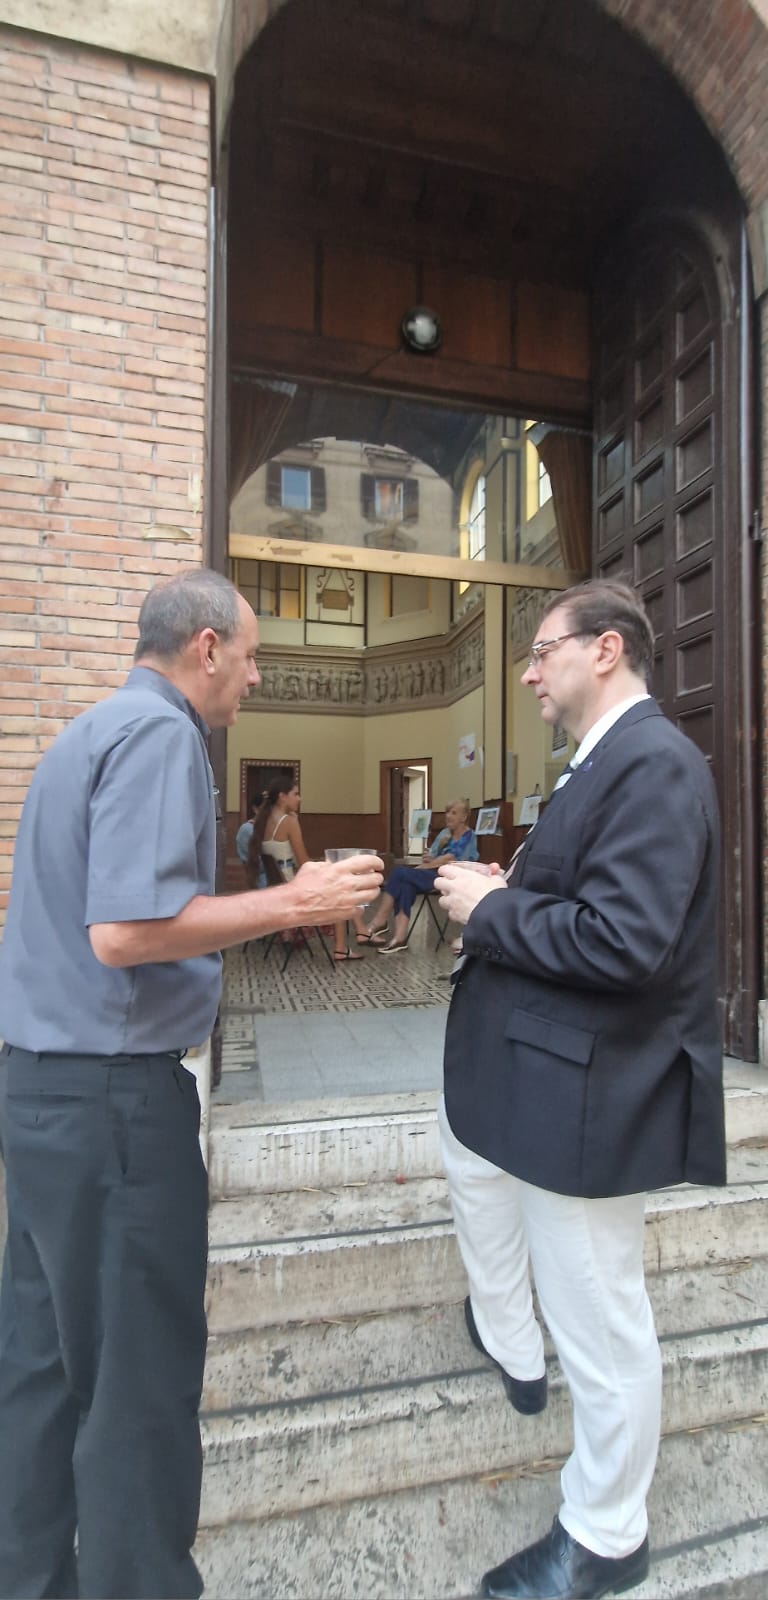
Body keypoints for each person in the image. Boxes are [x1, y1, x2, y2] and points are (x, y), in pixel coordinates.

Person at [0, 568, 383, 1600]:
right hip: (117, 1111)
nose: (255, 677)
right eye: (251, 655)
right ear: (205, 648)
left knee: (42, 1372)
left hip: (39, 1095)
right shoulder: (166, 734)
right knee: (136, 1389)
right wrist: (289, 902)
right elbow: (124, 930)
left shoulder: (81, 735)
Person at [435, 579, 723, 1600]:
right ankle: (509, 1336)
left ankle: (607, 1533)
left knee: (601, 1325)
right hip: (549, 1082)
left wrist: (490, 908)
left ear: (604, 650)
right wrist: (515, 893)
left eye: (542, 652)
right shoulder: (607, 762)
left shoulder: (651, 763)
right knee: (477, 1179)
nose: (527, 672)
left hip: (595, 1095)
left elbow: (625, 941)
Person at [246, 777, 369, 960]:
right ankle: (343, 946)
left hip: (278, 885)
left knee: (339, 881)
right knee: (342, 890)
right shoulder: (288, 822)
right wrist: (328, 865)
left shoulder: (262, 821)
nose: (299, 798)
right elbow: (304, 863)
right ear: (282, 797)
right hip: (294, 888)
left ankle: (361, 931)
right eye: (295, 794)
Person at [361, 797, 478, 953]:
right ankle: (400, 937)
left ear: (464, 816)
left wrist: (427, 865)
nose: (448, 816)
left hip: (450, 879)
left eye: (454, 813)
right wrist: (429, 858)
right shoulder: (444, 834)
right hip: (432, 873)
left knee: (399, 872)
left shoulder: (469, 836)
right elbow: (434, 856)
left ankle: (380, 920)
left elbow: (450, 859)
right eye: (447, 812)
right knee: (404, 884)